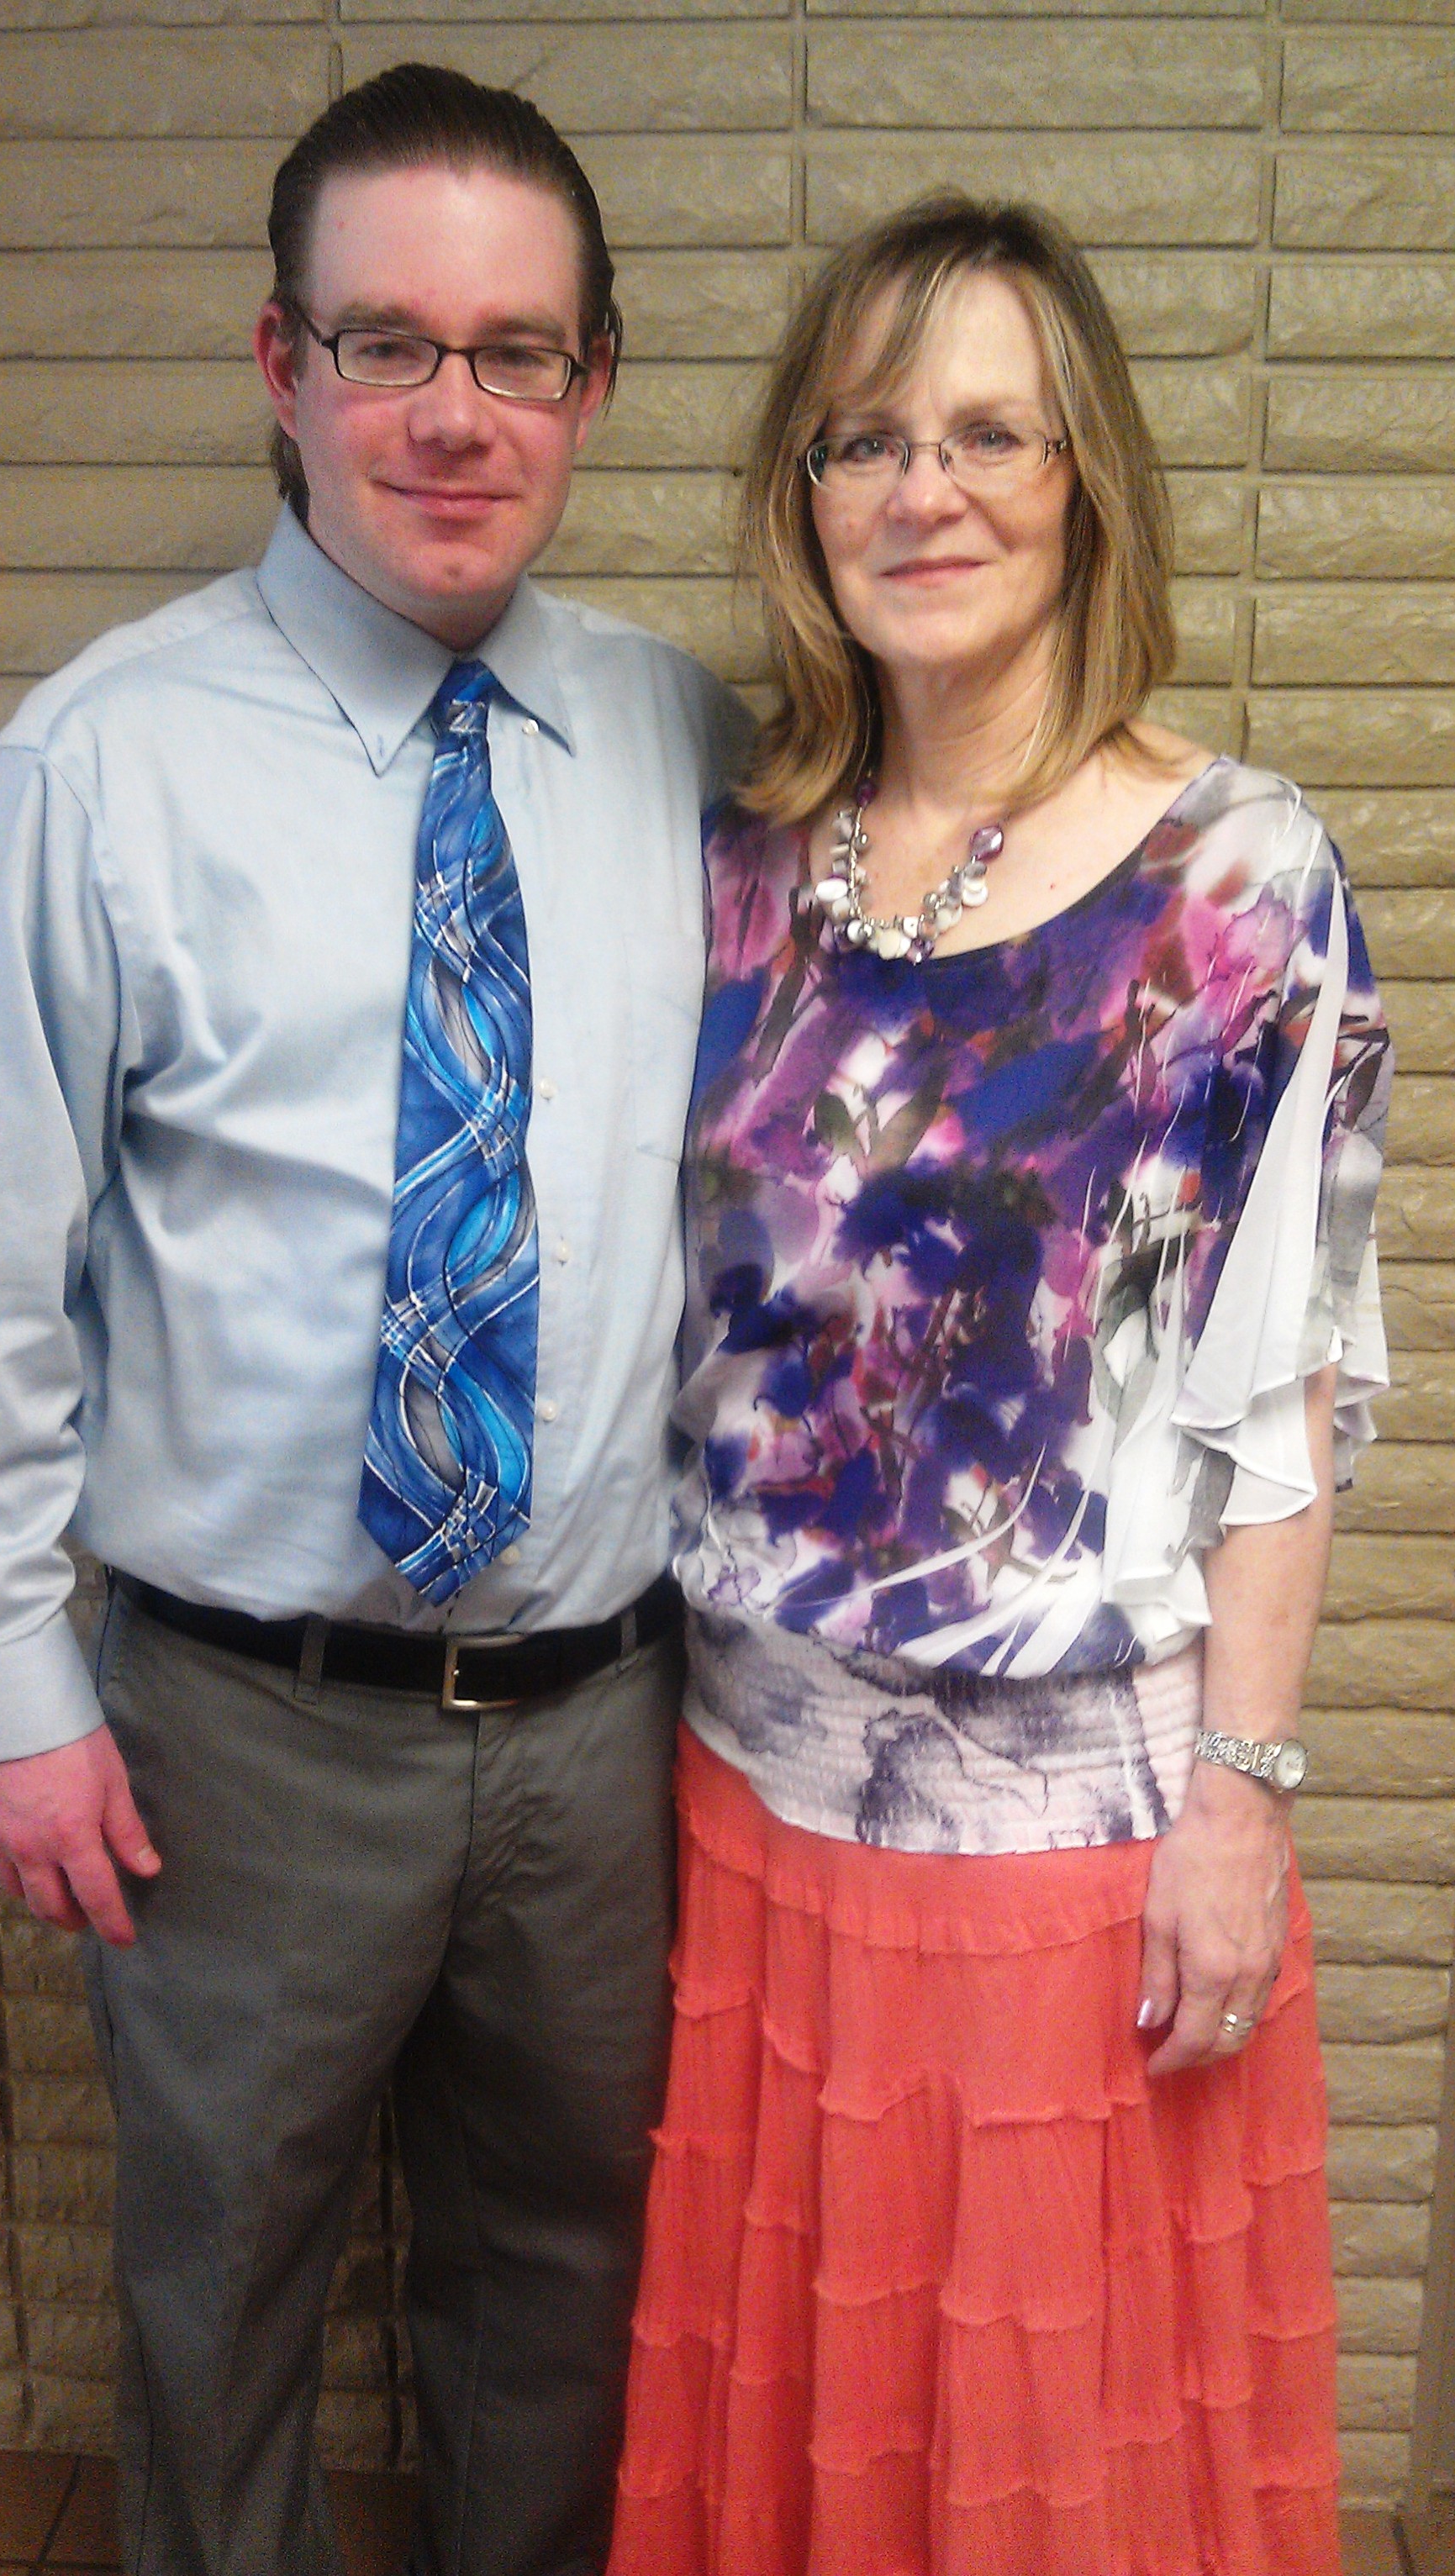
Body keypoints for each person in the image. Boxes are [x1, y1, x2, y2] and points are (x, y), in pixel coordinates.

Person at [0, 62, 749, 2576]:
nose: (450, 413)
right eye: (387, 344)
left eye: (512, 350)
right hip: (239, 1729)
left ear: (593, 384)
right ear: (280, 363)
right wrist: (5, 1678)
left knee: (563, 2297)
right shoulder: (104, 762)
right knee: (226, 2297)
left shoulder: (685, 744)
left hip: (603, 1721)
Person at [609, 195, 1391, 2576]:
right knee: (811, 2436)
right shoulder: (744, 864)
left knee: (1046, 2470)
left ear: (1082, 488)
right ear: (799, 487)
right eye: (863, 437)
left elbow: (1290, 1388)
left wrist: (1237, 1803)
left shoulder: (1233, 883)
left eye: (985, 434)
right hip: (745, 1802)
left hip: (1069, 1856)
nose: (919, 491)